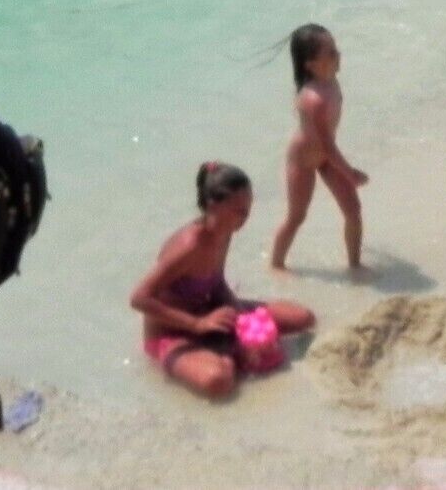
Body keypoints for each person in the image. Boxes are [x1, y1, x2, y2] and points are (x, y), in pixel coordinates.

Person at [132, 163, 316, 400]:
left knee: (303, 319)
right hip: (172, 331)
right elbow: (139, 299)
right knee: (218, 381)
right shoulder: (190, 246)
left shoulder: (224, 231)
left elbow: (217, 282)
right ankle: (228, 351)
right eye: (238, 210)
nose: (244, 217)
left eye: (248, 209)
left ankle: (227, 348)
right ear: (213, 205)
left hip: (210, 315)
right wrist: (197, 324)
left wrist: (242, 319)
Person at [267, 24, 366, 274]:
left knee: (353, 210)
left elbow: (328, 146)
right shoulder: (313, 100)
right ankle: (276, 265)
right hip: (303, 160)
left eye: (336, 49)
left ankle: (355, 266)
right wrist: (350, 173)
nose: (338, 55)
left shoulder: (331, 81)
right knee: (297, 217)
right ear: (310, 64)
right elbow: (327, 145)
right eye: (330, 53)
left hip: (326, 157)